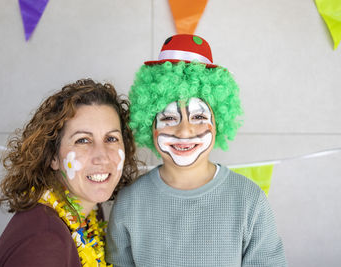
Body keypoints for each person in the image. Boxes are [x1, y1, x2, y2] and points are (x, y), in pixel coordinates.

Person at [106, 34, 287, 266]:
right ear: (149, 125)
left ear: (219, 121)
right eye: (169, 118)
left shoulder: (249, 200)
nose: (184, 131)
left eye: (199, 116)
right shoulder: (130, 202)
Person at [0, 79, 138, 267]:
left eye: (111, 138)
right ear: (53, 157)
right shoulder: (44, 242)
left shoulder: (90, 215)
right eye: (83, 140)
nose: (102, 157)